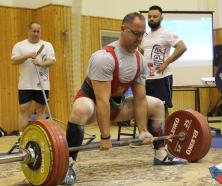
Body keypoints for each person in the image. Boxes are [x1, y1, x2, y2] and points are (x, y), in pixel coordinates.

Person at [62, 12, 186, 185]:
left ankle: (161, 153)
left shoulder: (140, 60)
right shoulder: (103, 57)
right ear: (123, 29)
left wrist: (143, 130)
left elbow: (140, 99)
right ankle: (68, 163)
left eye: (142, 34)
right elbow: (102, 100)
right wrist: (105, 136)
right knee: (81, 108)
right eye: (134, 33)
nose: (138, 38)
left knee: (157, 105)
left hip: (116, 105)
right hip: (94, 105)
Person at [141, 5, 187, 119]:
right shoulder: (145, 36)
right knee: (146, 107)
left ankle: (167, 136)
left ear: (161, 18)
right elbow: (142, 52)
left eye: (155, 16)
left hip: (161, 78)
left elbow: (182, 47)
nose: (151, 19)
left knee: (162, 108)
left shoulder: (167, 33)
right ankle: (150, 135)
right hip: (146, 78)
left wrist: (166, 63)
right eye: (149, 16)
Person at [11, 22, 56, 132]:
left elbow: (52, 60)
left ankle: (40, 137)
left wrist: (41, 64)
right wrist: (28, 55)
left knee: (41, 111)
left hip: (42, 84)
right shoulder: (19, 45)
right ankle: (22, 139)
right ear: (29, 31)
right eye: (34, 31)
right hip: (25, 84)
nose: (36, 34)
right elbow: (14, 60)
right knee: (23, 109)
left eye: (38, 31)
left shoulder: (47, 45)